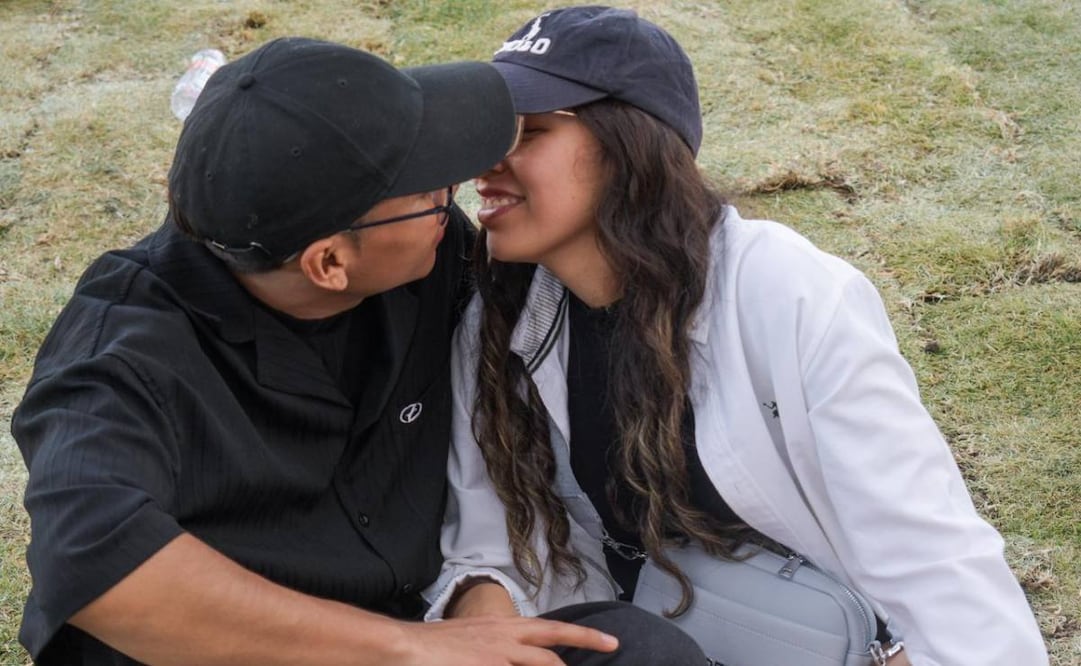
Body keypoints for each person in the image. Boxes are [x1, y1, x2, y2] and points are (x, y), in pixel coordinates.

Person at [11, 36, 705, 666]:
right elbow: (98, 568)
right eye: (431, 191)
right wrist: (406, 648)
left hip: (421, 628)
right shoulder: (120, 354)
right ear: (329, 264)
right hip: (240, 654)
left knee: (636, 649)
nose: (457, 194)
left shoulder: (432, 257)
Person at [426, 6, 1050, 666]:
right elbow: (489, 539)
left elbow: (927, 552)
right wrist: (489, 632)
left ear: (630, 143)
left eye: (528, 132)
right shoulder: (501, 316)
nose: (487, 163)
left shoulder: (786, 292)